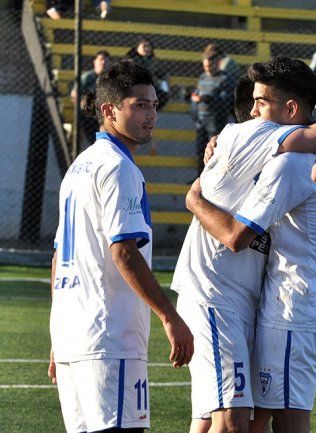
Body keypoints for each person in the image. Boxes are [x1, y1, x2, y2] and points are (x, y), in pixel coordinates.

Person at [172, 56, 316, 433]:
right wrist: (194, 199)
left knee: (216, 418)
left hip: (242, 295)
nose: (252, 111)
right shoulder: (250, 135)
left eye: (261, 101)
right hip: (215, 292)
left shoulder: (276, 146)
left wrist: (196, 198)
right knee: (234, 421)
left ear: (291, 109)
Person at [48, 60, 194, 433]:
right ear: (108, 111)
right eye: (140, 105)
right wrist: (170, 317)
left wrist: (57, 334)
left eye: (155, 105)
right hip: (109, 338)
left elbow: (57, 257)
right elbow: (124, 251)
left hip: (72, 336)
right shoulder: (118, 168)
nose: (152, 115)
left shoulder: (80, 166)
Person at [191, 44, 235, 175]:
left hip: (215, 121)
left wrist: (208, 98)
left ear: (218, 63)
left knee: (214, 152)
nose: (208, 69)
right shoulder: (203, 77)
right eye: (205, 66)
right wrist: (194, 95)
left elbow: (226, 100)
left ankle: (213, 178)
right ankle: (200, 178)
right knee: (200, 151)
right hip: (201, 120)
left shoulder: (225, 78)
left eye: (210, 65)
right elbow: (197, 90)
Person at [69, 50, 110, 146]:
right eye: (101, 59)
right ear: (95, 62)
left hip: (103, 114)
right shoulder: (87, 78)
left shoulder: (109, 80)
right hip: (88, 114)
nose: (103, 62)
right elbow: (74, 95)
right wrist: (86, 106)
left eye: (106, 60)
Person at [125, 38, 169, 109]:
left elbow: (160, 72)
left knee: (162, 92)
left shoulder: (152, 60)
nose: (147, 48)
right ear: (137, 47)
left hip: (151, 87)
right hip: (134, 87)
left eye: (149, 47)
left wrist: (162, 77)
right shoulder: (131, 59)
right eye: (144, 46)